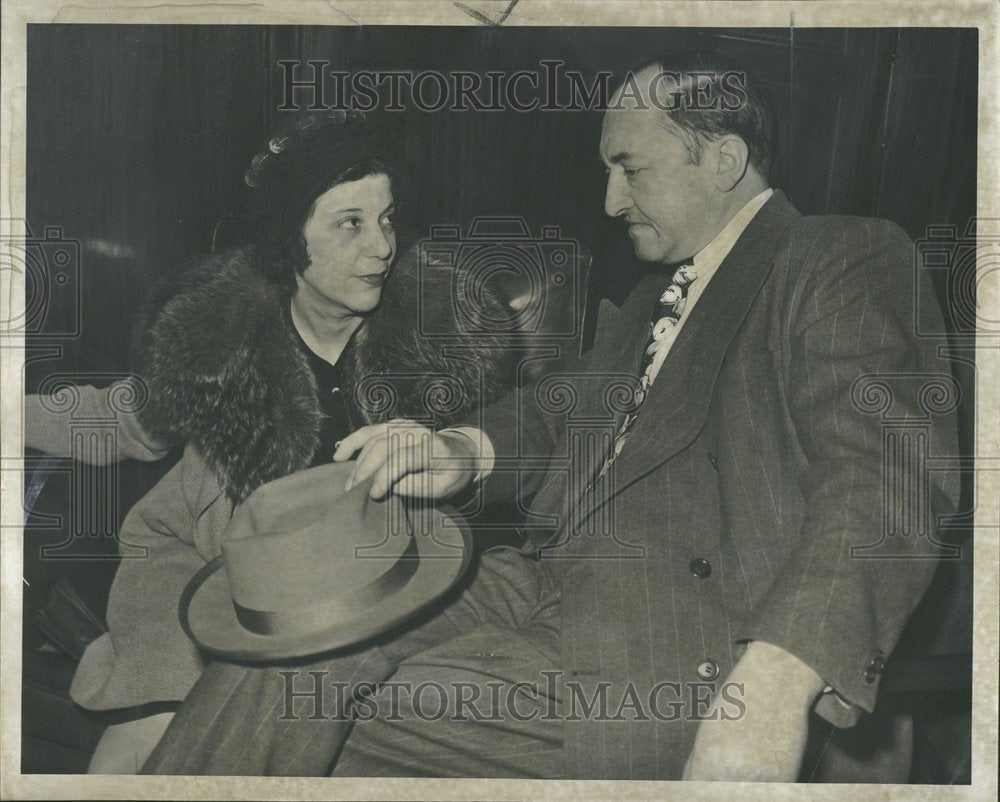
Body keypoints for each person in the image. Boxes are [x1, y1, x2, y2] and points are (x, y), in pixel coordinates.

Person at [141, 54, 960, 781]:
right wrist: (463, 449)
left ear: (723, 160)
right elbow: (564, 407)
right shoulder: (652, 298)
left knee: (317, 711)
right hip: (536, 584)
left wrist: (780, 675)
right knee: (290, 644)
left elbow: (885, 481)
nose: (609, 200)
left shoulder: (838, 256)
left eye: (629, 168)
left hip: (671, 646)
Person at [61, 109, 520, 773]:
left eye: (388, 218)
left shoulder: (441, 342)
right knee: (153, 725)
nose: (383, 246)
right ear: (287, 238)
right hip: (203, 573)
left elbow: (503, 470)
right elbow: (119, 421)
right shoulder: (214, 342)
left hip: (363, 593)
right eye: (350, 223)